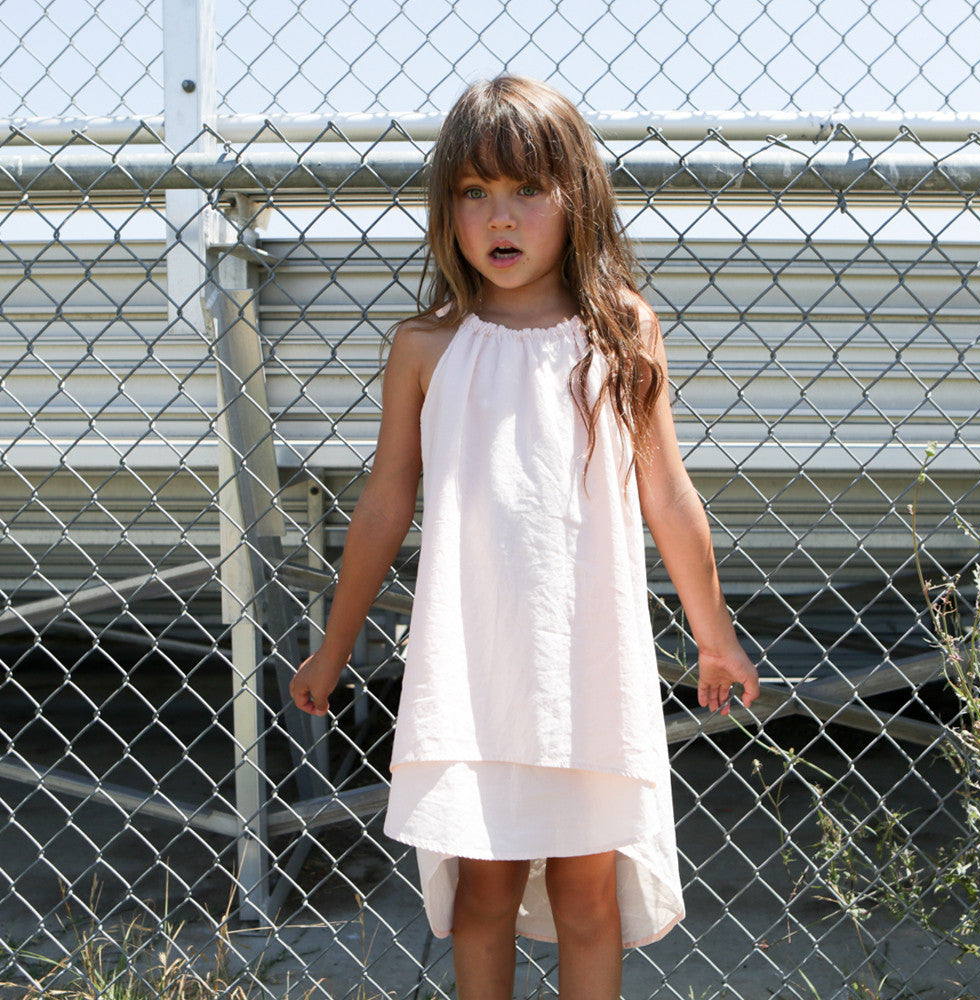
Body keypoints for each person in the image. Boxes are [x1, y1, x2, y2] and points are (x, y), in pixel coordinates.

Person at [290, 75, 760, 1000]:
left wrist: (715, 635)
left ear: (577, 196)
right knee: (484, 891)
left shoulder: (623, 333)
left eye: (528, 188)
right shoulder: (426, 347)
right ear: (448, 208)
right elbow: (384, 503)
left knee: (588, 896)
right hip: (475, 674)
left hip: (586, 669)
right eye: (474, 191)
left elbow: (667, 493)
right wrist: (334, 646)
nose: (499, 216)